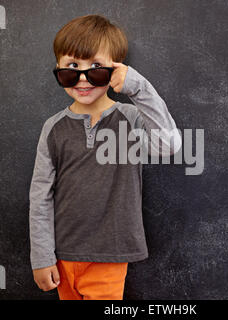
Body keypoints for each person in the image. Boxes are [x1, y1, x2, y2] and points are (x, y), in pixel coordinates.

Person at [29, 14, 182, 300]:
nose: (83, 78)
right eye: (72, 66)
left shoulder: (131, 119)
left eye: (97, 67)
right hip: (61, 256)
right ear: (59, 67)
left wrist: (137, 86)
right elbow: (40, 196)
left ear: (115, 70)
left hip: (109, 255)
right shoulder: (53, 127)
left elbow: (169, 144)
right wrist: (41, 256)